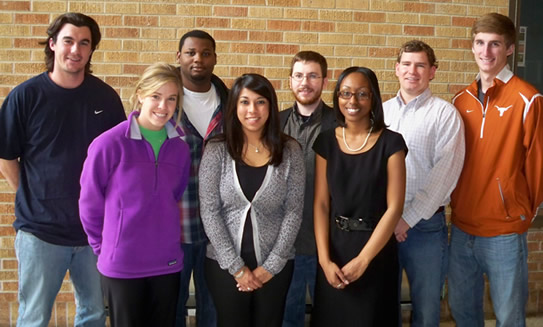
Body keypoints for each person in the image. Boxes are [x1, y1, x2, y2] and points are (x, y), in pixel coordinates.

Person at [0, 12, 126, 326]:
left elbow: (119, 162)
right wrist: (34, 197)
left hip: (94, 234)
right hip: (40, 233)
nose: (76, 50)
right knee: (34, 317)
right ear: (53, 44)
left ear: (91, 50)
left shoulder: (106, 99)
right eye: (68, 41)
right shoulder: (25, 97)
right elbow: (6, 157)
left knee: (94, 314)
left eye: (84, 43)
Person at [448, 12, 543, 327]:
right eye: (480, 43)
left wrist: (519, 213)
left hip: (503, 232)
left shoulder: (528, 99)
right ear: (472, 46)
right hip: (462, 229)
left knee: (508, 318)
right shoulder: (460, 101)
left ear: (510, 49)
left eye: (495, 44)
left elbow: (537, 165)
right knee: (463, 313)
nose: (486, 52)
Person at [79, 63, 190, 327]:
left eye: (171, 98)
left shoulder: (180, 148)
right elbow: (89, 204)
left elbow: (174, 195)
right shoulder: (108, 144)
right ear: (140, 94)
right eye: (156, 96)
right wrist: (103, 248)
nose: (163, 106)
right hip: (122, 265)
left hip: (167, 263)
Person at [199, 73, 305, 327]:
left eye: (260, 102)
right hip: (225, 267)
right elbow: (209, 211)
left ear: (270, 106)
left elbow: (293, 211)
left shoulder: (290, 150)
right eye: (244, 102)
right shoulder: (216, 150)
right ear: (234, 107)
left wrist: (271, 266)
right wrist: (237, 268)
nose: (252, 110)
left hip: (275, 267)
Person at [311, 66, 407, 327]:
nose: (352, 101)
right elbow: (320, 204)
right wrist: (324, 259)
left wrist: (364, 259)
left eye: (362, 94)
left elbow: (394, 207)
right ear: (337, 98)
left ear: (373, 98)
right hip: (335, 250)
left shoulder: (392, 143)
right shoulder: (326, 142)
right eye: (345, 93)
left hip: (376, 251)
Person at [383, 40, 465, 327]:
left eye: (420, 65)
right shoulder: (380, 114)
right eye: (406, 64)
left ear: (432, 71)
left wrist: (405, 220)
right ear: (396, 69)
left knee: (427, 310)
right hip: (382, 225)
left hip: (426, 228)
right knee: (381, 305)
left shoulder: (445, 115)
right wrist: (390, 219)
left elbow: (444, 176)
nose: (412, 71)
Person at [175, 29, 228, 327]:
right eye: (191, 52)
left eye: (205, 53)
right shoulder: (163, 104)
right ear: (179, 57)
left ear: (214, 59)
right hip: (173, 229)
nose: (198, 59)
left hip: (218, 231)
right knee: (173, 306)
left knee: (215, 307)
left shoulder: (230, 105)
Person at [280, 50, 336, 327]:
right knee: (286, 318)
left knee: (329, 316)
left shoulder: (341, 125)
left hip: (327, 244)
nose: (306, 82)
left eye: (313, 76)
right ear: (290, 81)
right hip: (283, 245)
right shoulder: (273, 125)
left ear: (324, 82)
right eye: (299, 75)